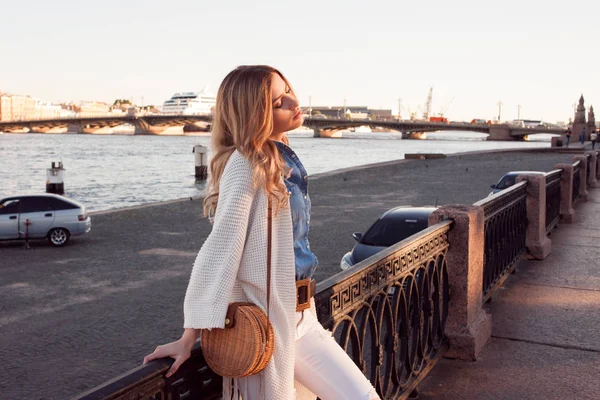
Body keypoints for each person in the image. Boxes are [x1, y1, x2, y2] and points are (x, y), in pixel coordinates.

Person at [143, 65, 380, 400]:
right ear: (253, 114)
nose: (292, 102)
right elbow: (220, 250)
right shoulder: (245, 164)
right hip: (269, 321)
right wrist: (189, 335)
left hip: (302, 314)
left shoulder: (281, 159)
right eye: (277, 101)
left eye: (288, 92)